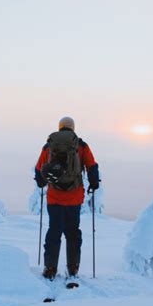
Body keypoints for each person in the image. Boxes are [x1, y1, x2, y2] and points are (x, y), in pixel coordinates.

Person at [35, 116, 100, 280]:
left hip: (54, 198)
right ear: (73, 128)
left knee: (54, 231)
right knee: (72, 233)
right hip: (74, 198)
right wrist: (94, 183)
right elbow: (92, 166)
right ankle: (73, 268)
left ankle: (50, 268)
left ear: (60, 127)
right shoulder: (81, 145)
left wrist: (41, 182)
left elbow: (39, 169)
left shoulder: (49, 145)